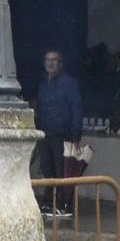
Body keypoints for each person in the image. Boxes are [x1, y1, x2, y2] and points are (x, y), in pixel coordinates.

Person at [33, 49, 82, 217]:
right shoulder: (42, 83)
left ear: (61, 64)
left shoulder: (69, 83)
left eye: (54, 60)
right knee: (47, 170)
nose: (50, 63)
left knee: (62, 172)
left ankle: (64, 204)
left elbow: (76, 109)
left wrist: (76, 136)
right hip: (44, 133)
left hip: (62, 134)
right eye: (48, 60)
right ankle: (48, 203)